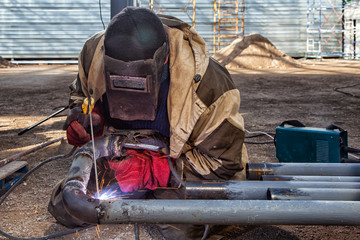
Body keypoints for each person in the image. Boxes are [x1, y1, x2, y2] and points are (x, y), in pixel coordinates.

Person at [49, 6, 248, 239]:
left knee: (183, 231)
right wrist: (88, 117)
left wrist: (152, 170)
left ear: (163, 58)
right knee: (66, 206)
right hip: (122, 158)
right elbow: (81, 94)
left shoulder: (209, 86)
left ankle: (152, 189)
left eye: (136, 83)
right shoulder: (93, 53)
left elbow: (224, 163)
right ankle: (138, 189)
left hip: (180, 165)